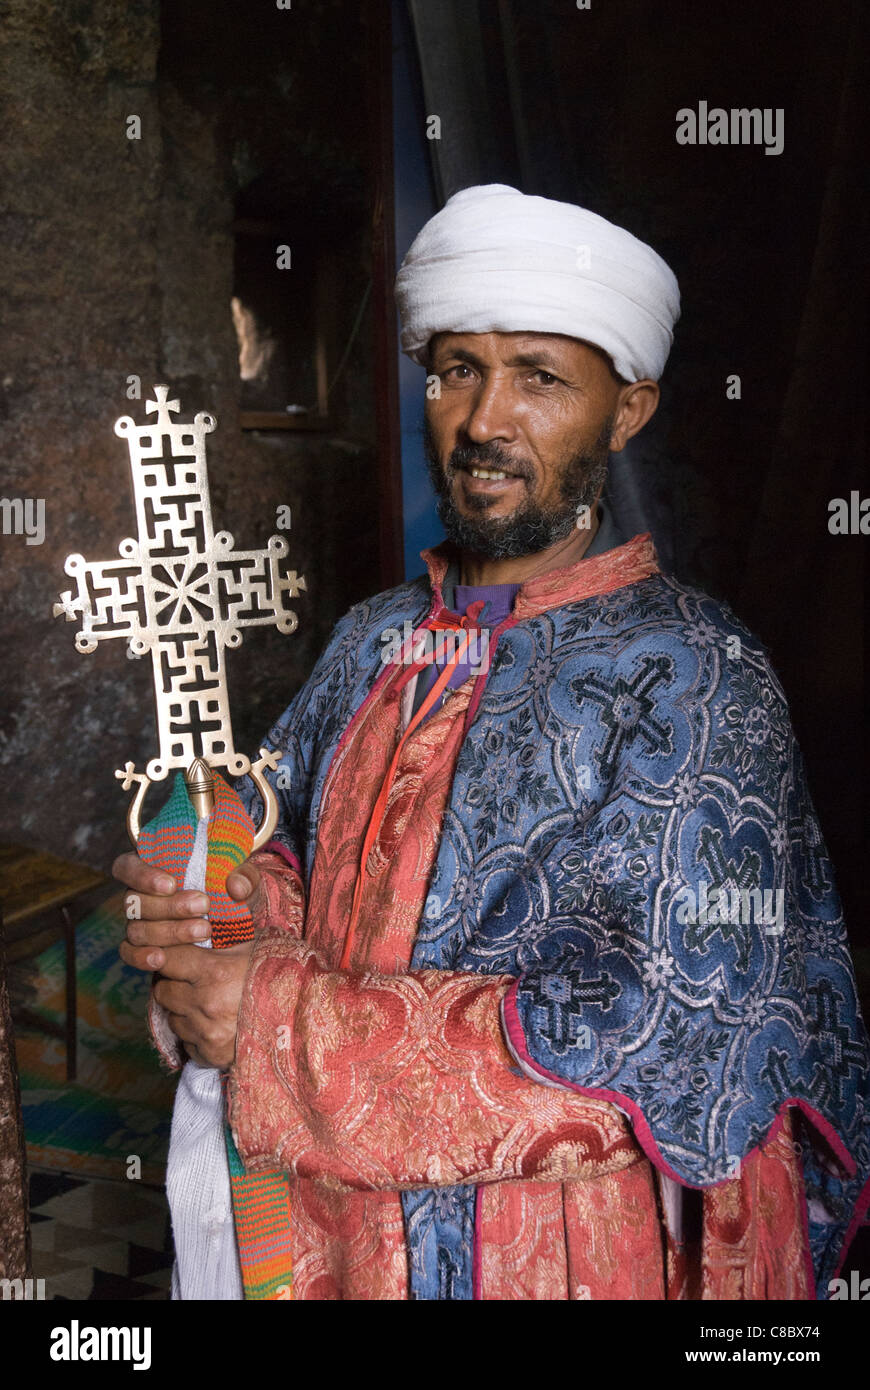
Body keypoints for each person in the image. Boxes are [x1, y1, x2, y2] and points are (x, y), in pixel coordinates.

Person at [115, 184, 870, 1300]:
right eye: (458, 367)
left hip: (559, 1251)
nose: (482, 421)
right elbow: (275, 842)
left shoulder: (702, 676)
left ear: (629, 411)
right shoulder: (372, 637)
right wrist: (205, 899)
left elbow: (663, 1040)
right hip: (327, 1237)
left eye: (540, 378)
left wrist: (271, 1021)